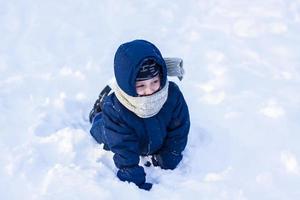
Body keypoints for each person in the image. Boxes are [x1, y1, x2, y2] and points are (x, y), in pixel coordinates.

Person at [89, 39, 190, 191]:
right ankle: (100, 107)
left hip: (153, 137)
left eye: (155, 82)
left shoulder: (172, 95)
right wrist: (132, 177)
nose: (149, 90)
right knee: (99, 130)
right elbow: (123, 147)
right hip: (115, 128)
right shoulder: (116, 108)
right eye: (141, 85)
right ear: (128, 85)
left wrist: (170, 156)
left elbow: (179, 129)